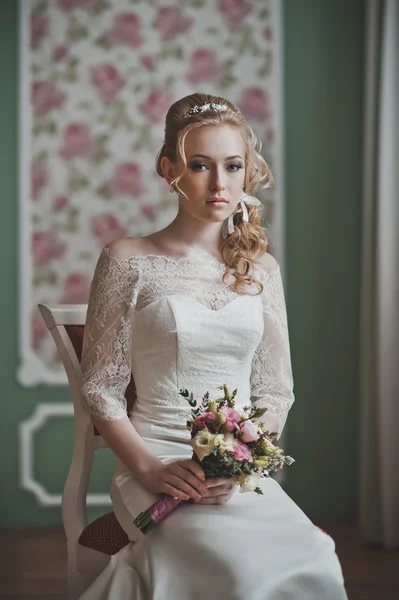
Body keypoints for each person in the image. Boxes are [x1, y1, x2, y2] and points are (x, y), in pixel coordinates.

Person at [79, 93, 348, 599]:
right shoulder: (127, 259)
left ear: (249, 172)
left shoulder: (261, 270)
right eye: (199, 165)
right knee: (240, 573)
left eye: (233, 166)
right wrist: (149, 468)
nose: (219, 184)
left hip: (235, 475)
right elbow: (101, 388)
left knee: (318, 558)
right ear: (169, 170)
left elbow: (276, 391)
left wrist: (241, 464)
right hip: (154, 460)